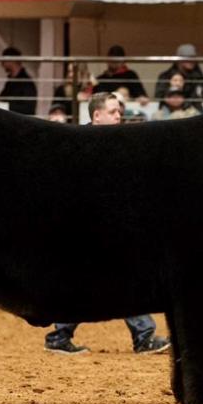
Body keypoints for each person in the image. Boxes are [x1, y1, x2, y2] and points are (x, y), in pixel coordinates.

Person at [43, 92, 170, 356]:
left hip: (106, 226)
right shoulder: (77, 145)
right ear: (97, 115)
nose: (118, 116)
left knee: (107, 279)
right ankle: (142, 337)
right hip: (87, 227)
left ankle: (60, 336)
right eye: (113, 112)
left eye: (119, 112)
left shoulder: (117, 143)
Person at [0, 47, 38, 116]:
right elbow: (2, 98)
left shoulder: (26, 82)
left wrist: (5, 106)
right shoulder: (10, 81)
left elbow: (29, 108)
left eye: (3, 61)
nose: (2, 64)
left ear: (11, 60)